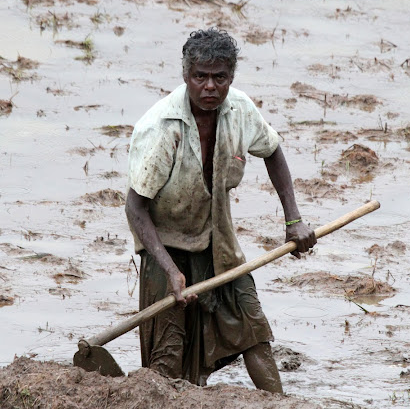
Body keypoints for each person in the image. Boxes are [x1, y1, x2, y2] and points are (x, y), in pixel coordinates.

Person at [125, 28, 317, 393]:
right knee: (167, 362)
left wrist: (294, 219)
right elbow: (135, 208)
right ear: (186, 76)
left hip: (219, 241)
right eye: (200, 76)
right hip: (165, 247)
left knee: (253, 330)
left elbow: (272, 150)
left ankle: (280, 403)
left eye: (219, 77)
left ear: (231, 77)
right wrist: (169, 269)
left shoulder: (240, 110)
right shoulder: (162, 128)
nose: (209, 86)